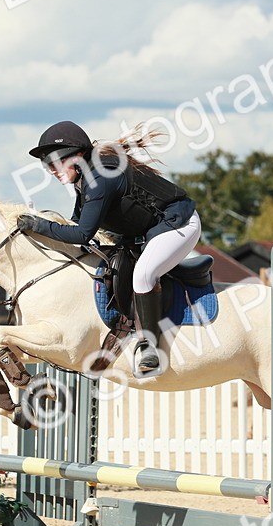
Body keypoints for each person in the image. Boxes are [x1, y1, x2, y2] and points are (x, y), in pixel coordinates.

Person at [18, 121, 201, 377]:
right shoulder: (85, 180)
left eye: (56, 162)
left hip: (179, 224)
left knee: (143, 274)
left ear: (78, 156)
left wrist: (39, 226)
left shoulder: (100, 179)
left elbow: (82, 232)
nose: (52, 170)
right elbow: (77, 227)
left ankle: (150, 348)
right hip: (146, 231)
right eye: (47, 165)